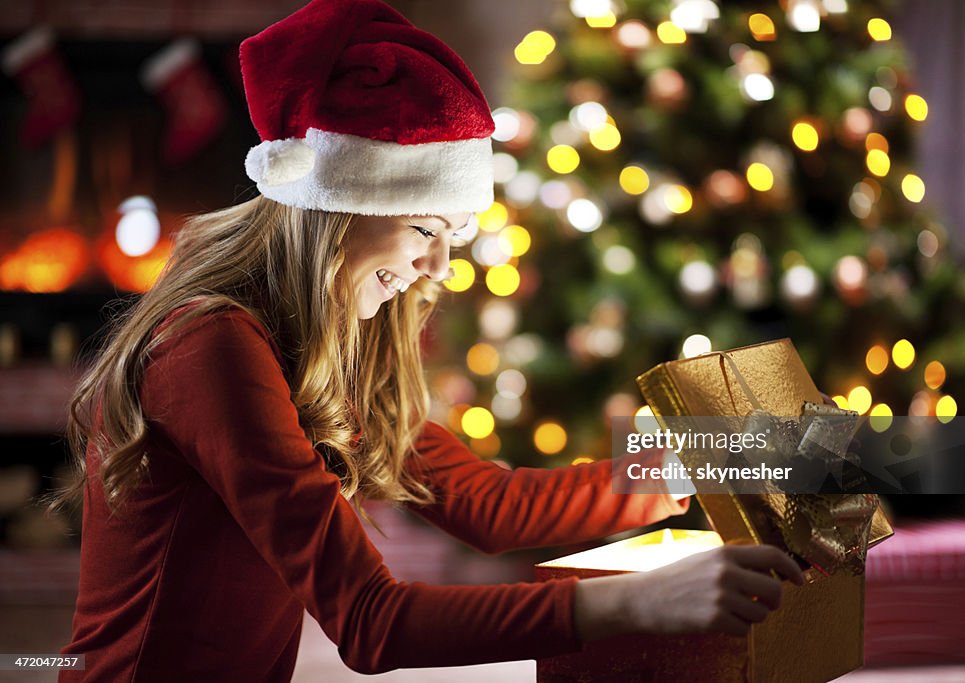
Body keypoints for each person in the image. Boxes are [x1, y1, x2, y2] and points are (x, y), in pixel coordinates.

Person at [54, 1, 803, 680]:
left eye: (452, 236)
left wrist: (692, 459)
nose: (435, 270)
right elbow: (372, 622)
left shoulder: (315, 343)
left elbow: (486, 503)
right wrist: (634, 602)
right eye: (423, 229)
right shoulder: (210, 346)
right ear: (336, 206)